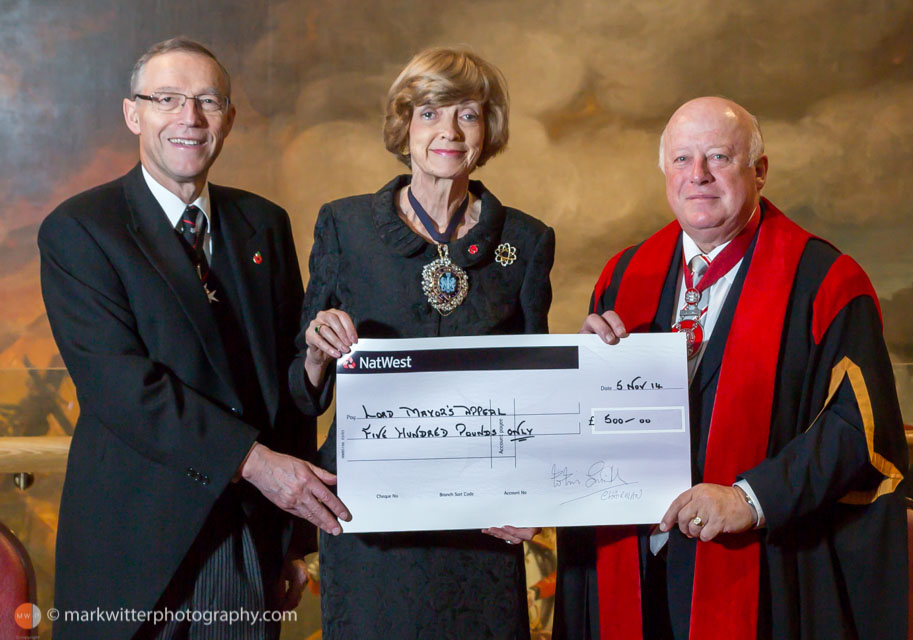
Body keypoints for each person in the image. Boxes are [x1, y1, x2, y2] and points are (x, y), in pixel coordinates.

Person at [554, 97, 908, 639]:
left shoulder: (826, 284)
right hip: (634, 566)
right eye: (681, 159)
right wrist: (587, 373)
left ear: (759, 170)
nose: (697, 175)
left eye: (718, 156)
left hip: (762, 571)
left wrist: (749, 499)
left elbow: (860, 430)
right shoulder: (624, 275)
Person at [38, 37, 347, 640]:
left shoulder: (265, 222)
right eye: (168, 99)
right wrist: (256, 464)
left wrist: (291, 540)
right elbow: (123, 388)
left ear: (228, 119)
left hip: (243, 539)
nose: (190, 117)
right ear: (134, 113)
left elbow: (284, 393)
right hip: (133, 541)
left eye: (208, 101)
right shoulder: (80, 230)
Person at [288, 47, 555, 639]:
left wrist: (536, 497)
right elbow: (303, 398)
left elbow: (537, 396)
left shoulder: (526, 242)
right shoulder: (344, 226)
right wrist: (314, 352)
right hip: (372, 528)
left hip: (482, 531)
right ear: (404, 124)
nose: (450, 132)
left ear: (488, 130)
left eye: (468, 114)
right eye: (431, 113)